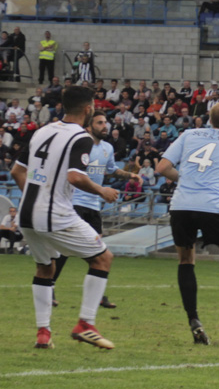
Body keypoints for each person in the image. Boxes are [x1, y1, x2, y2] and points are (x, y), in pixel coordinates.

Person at [11, 86, 119, 350]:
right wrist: (102, 189)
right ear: (88, 109)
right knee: (103, 258)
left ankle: (43, 333)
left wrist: (35, 199)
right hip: (54, 214)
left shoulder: (42, 131)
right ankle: (86, 324)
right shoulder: (80, 138)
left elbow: (16, 171)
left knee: (45, 267)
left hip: (26, 214)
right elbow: (75, 176)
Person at [155, 101, 219, 344]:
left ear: (209, 119)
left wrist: (185, 178)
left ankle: (194, 320)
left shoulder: (188, 134)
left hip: (181, 205)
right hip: (211, 206)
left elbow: (162, 167)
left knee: (186, 261)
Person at [53, 110, 141, 310]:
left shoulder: (107, 148)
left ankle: (97, 294)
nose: (105, 126)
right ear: (89, 126)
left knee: (97, 252)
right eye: (100, 122)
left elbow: (111, 170)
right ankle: (48, 285)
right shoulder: (80, 144)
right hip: (75, 203)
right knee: (66, 250)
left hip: (94, 206)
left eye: (106, 123)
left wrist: (130, 176)